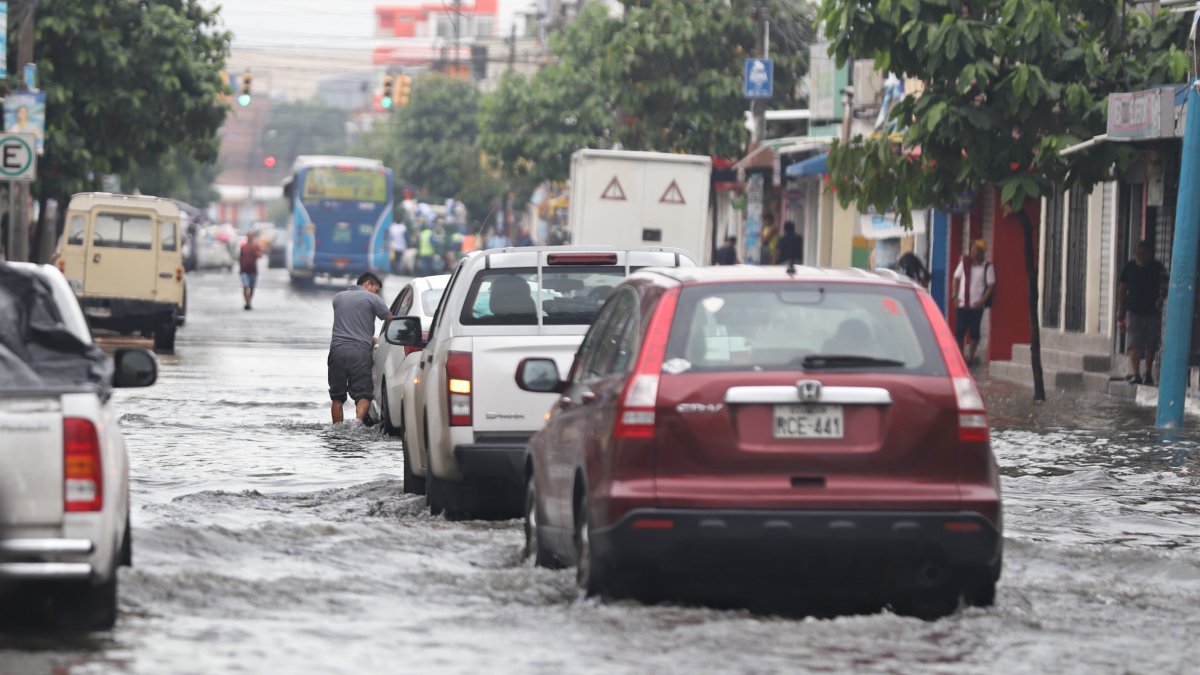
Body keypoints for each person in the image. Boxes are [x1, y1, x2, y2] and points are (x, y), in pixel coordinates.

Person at [328, 272, 393, 424]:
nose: (377, 293)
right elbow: (390, 319)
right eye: (376, 289)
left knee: (337, 397)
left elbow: (352, 325)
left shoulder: (337, 298)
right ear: (368, 284)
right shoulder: (373, 299)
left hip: (336, 351)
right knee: (364, 394)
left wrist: (373, 340)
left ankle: (337, 429)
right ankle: (357, 424)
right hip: (359, 352)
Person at [1117, 240, 1168, 385]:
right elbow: (1122, 289)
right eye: (1138, 253)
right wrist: (1120, 310)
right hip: (1133, 311)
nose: (1140, 255)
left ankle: (1148, 373)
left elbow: (1165, 286)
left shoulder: (1157, 268)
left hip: (1152, 311)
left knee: (1151, 342)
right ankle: (1136, 373)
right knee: (1134, 343)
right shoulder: (1129, 268)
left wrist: (1160, 299)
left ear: (1149, 254)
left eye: (1143, 253)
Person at [950, 239, 995, 367]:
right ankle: (960, 356)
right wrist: (954, 295)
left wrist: (982, 300)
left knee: (974, 332)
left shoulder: (987, 267)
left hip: (976, 305)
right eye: (972, 249)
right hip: (962, 304)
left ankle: (970, 357)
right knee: (959, 331)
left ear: (981, 253)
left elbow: (991, 286)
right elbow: (956, 278)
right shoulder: (964, 263)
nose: (972, 251)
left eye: (975, 250)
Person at [239, 231, 262, 310]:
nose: (249, 237)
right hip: (244, 270)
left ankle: (249, 301)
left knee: (252, 288)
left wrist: (254, 251)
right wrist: (240, 269)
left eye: (251, 236)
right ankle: (247, 303)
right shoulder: (243, 247)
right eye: (248, 236)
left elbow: (260, 255)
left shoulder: (256, 246)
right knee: (245, 286)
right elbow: (240, 258)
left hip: (253, 271)